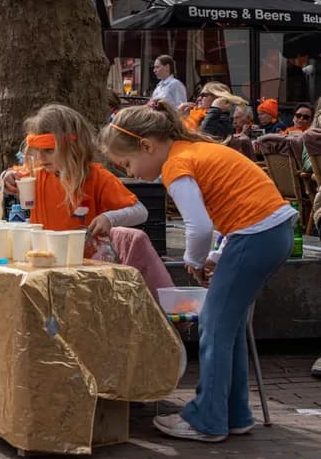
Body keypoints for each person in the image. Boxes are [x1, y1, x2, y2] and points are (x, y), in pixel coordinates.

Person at [100, 99, 297, 443]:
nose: (130, 173)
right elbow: (234, 207)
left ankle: (207, 419)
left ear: (146, 145)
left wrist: (193, 259)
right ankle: (234, 413)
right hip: (269, 233)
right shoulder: (194, 151)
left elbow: (200, 227)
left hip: (254, 236)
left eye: (127, 163)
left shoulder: (177, 165)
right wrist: (218, 255)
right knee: (228, 325)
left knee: (214, 325)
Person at [1, 104, 148, 235]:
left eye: (49, 150)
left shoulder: (97, 177)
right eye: (37, 150)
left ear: (74, 148)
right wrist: (7, 177)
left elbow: (140, 211)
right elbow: (8, 176)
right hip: (43, 253)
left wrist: (109, 218)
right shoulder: (36, 173)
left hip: (84, 255)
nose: (40, 157)